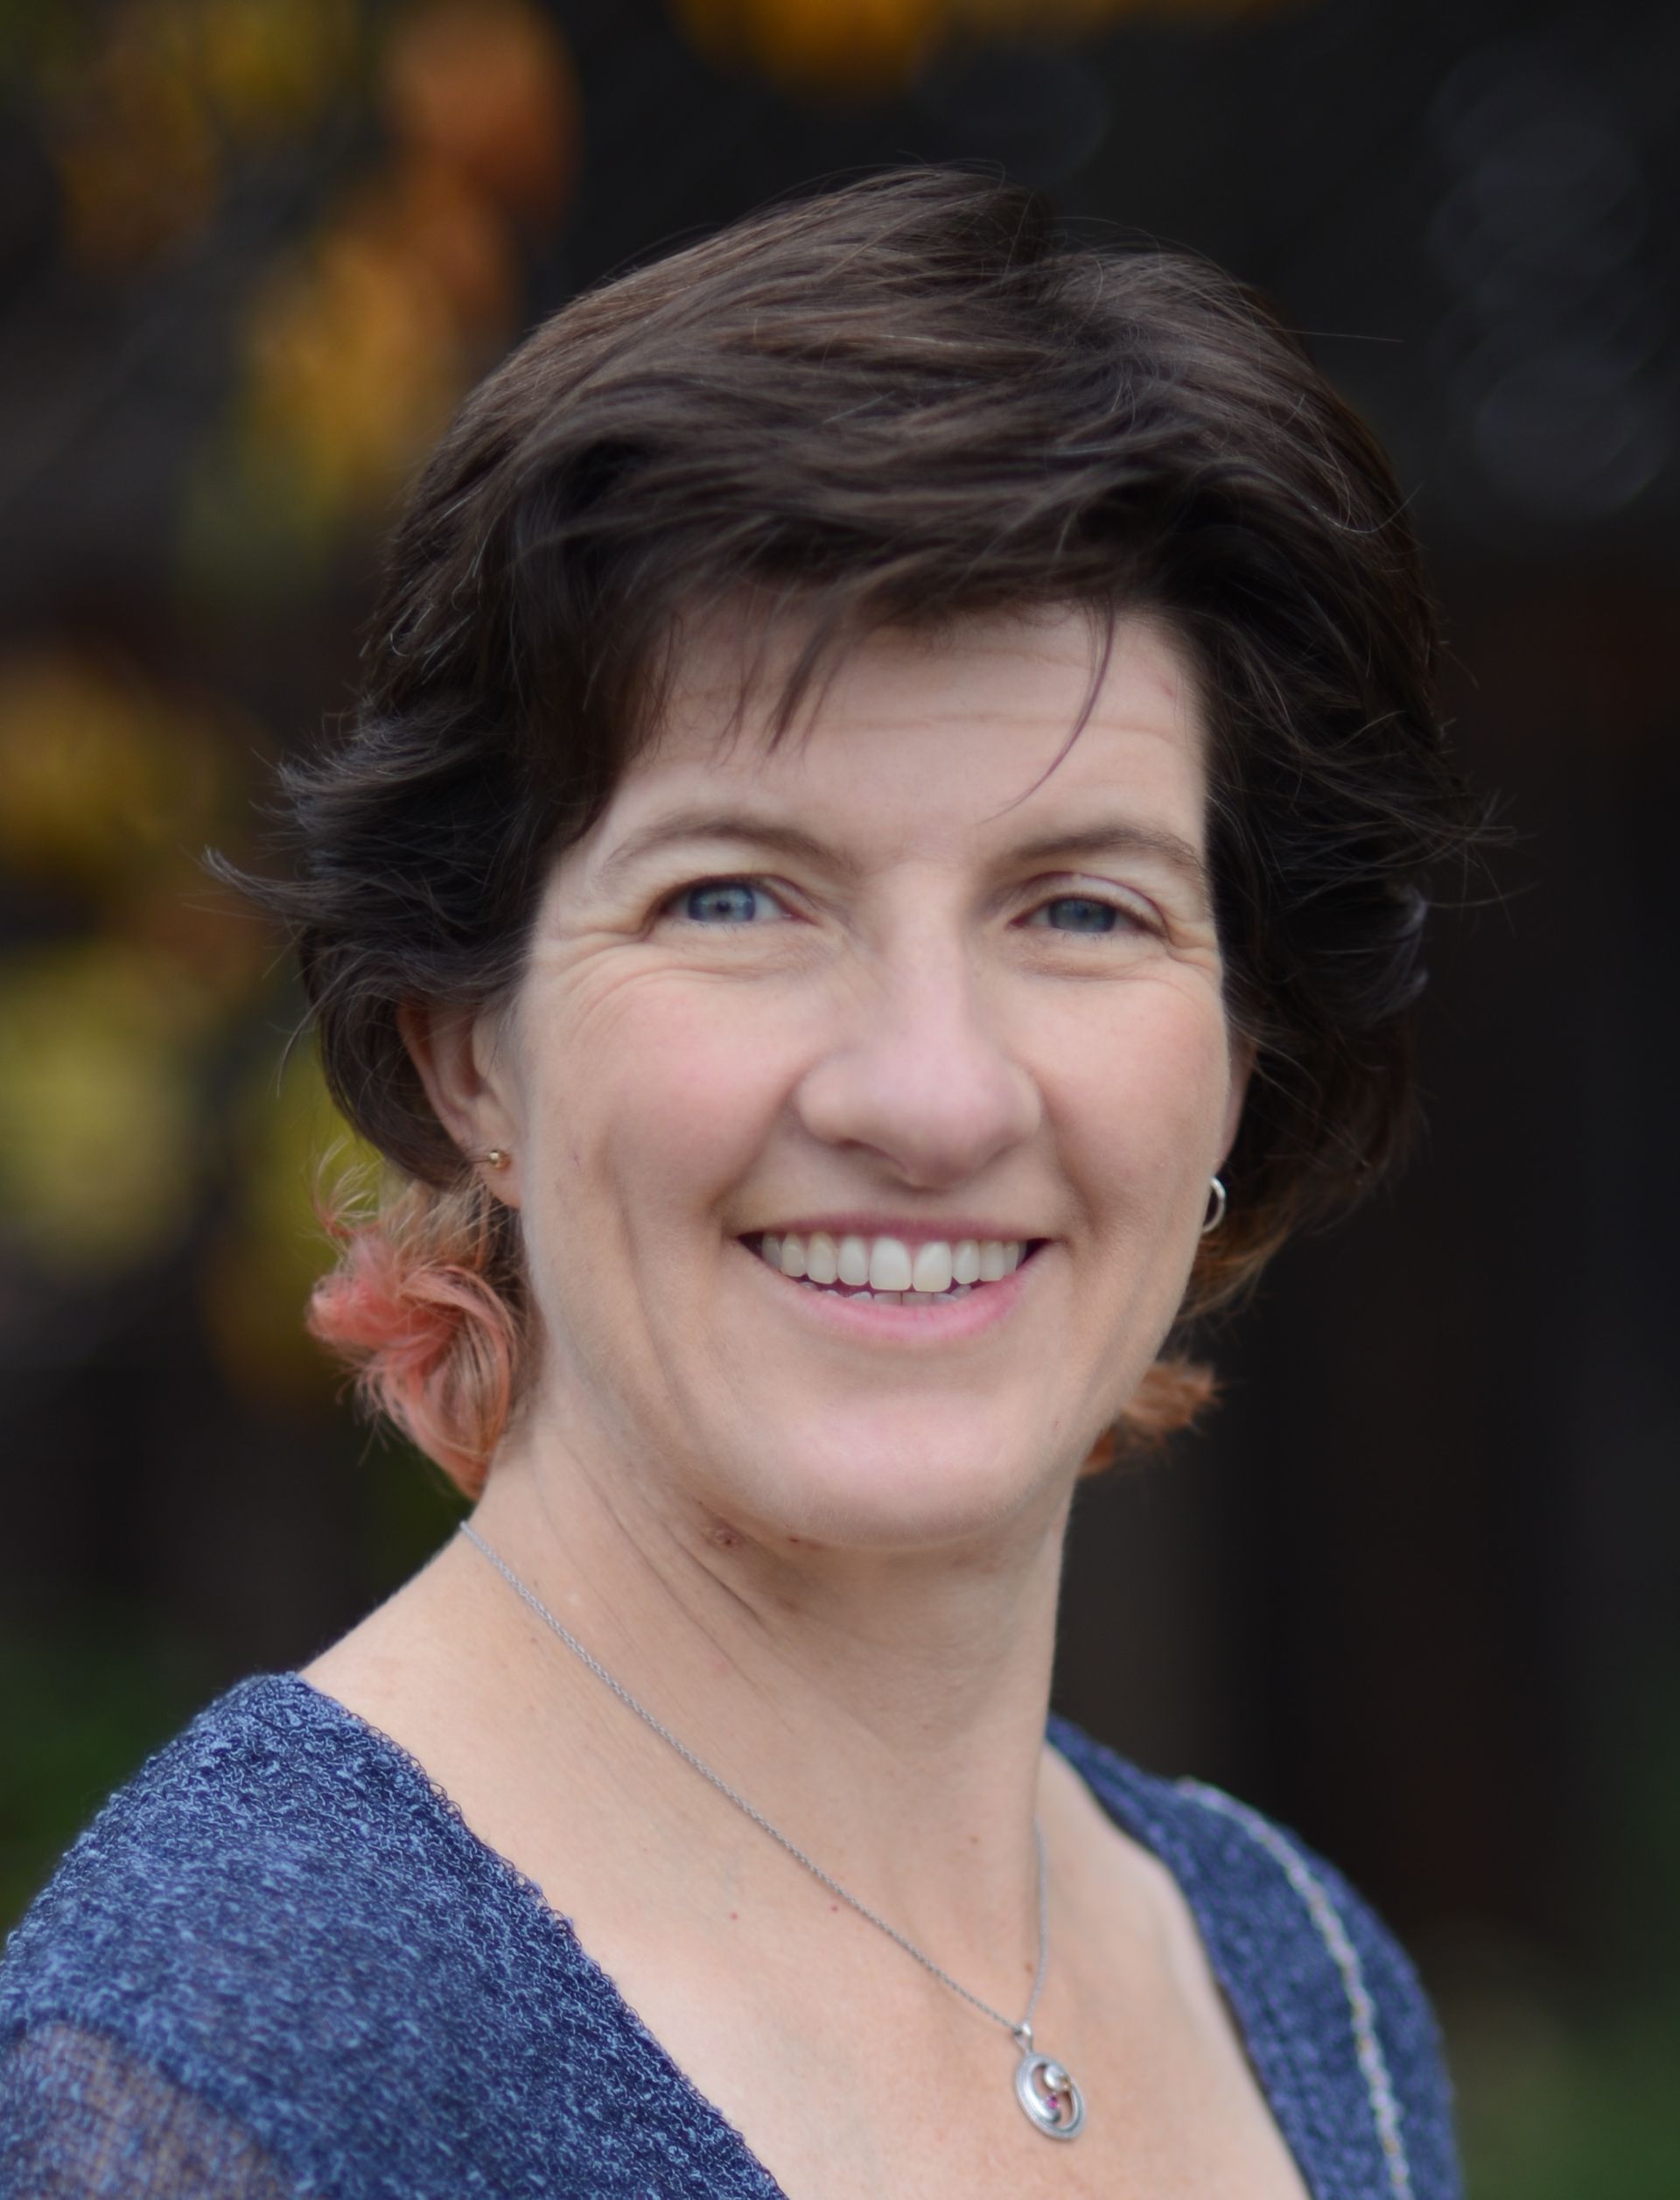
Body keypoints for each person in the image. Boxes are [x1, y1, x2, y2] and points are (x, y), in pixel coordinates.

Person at [0, 168, 1473, 2198]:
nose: (932, 1092)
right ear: (466, 1054)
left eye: (1082, 909)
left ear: (1244, 1060)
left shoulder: (1297, 1978)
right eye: (738, 896)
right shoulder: (234, 2065)